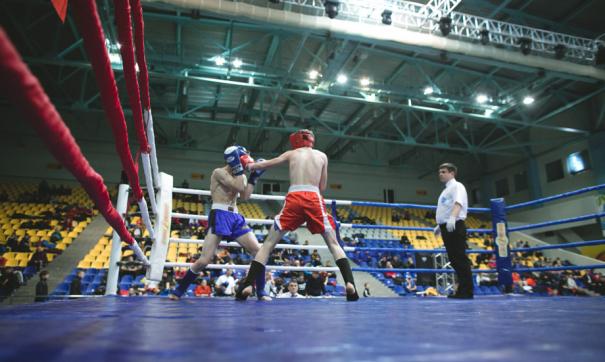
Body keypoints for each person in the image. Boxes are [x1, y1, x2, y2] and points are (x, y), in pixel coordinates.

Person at [236, 129, 359, 301]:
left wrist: (250, 165)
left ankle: (248, 284)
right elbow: (322, 186)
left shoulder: (292, 153)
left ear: (294, 141)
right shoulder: (322, 156)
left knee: (268, 243)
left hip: (294, 197)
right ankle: (350, 283)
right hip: (314, 197)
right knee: (333, 243)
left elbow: (269, 163)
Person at [170, 145, 270, 300]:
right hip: (219, 214)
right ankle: (179, 290)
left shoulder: (241, 176)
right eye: (243, 158)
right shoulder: (219, 172)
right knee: (204, 260)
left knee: (259, 251)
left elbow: (244, 196)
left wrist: (253, 178)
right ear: (236, 159)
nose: (245, 163)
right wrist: (240, 170)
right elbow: (236, 186)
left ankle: (261, 291)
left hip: (235, 216)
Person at [433, 163, 473, 299]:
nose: (440, 174)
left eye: (443, 172)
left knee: (460, 258)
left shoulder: (457, 186)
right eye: (440, 172)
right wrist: (440, 225)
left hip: (454, 224)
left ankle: (467, 292)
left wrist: (452, 218)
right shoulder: (445, 190)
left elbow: (458, 203)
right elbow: (446, 207)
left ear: (452, 173)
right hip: (447, 225)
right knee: (454, 259)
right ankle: (462, 290)